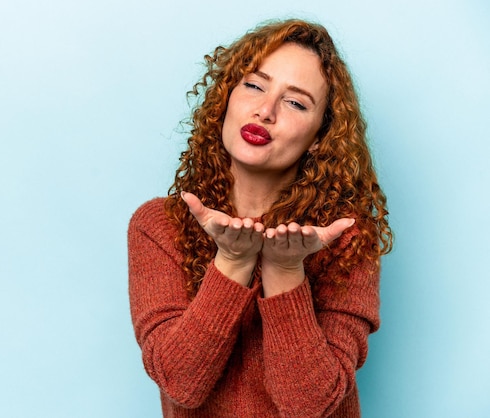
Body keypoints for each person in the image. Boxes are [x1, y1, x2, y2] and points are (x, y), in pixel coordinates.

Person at [128, 18, 393, 418]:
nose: (265, 111)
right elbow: (180, 381)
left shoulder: (346, 238)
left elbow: (310, 405)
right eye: (254, 85)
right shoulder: (159, 226)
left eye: (296, 102)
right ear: (226, 97)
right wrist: (233, 262)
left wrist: (285, 270)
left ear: (321, 134)